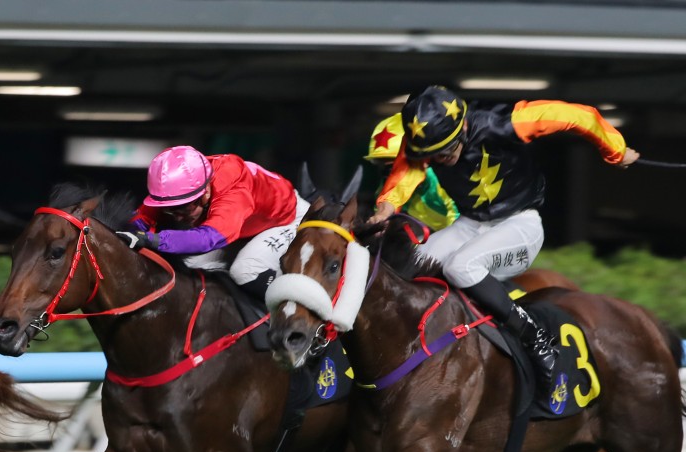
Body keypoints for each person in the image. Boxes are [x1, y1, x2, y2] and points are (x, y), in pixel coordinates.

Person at [366, 85, 640, 394]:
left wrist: (615, 149)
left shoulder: (504, 122)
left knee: (460, 267)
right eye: (431, 156)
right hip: (471, 223)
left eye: (444, 152)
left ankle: (537, 341)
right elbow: (406, 171)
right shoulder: (423, 146)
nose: (439, 161)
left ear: (464, 127)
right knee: (407, 266)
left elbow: (574, 115)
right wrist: (385, 209)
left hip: (519, 223)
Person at [117, 145, 310, 301]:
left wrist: (152, 239)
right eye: (171, 209)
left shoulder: (233, 192)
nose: (178, 216)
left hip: (287, 219)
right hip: (245, 227)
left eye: (184, 208)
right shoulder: (184, 187)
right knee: (190, 270)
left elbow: (207, 239)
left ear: (205, 190)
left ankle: (295, 322)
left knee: (245, 270)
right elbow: (141, 220)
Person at [364, 112, 458, 232]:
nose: (391, 174)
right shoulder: (386, 188)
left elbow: (456, 216)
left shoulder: (437, 181)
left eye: (395, 166)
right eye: (383, 164)